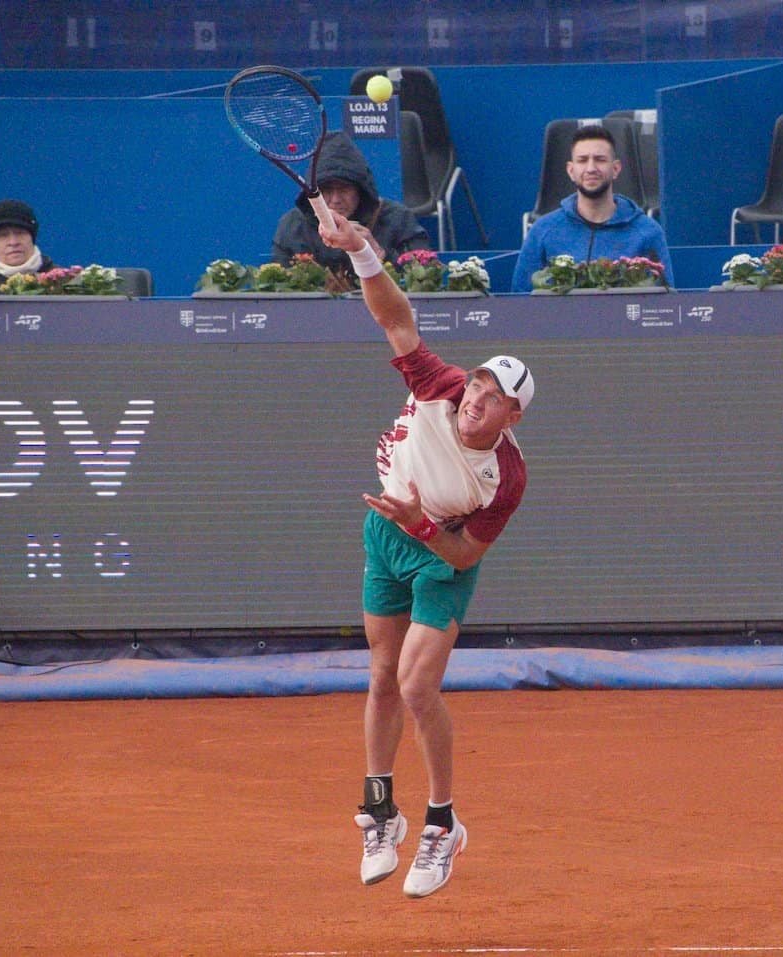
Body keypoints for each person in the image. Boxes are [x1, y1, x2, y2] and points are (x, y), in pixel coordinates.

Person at [317, 208, 533, 898]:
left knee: (417, 688)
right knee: (382, 677)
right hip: (387, 534)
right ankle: (381, 810)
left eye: (494, 399)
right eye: (479, 386)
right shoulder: (440, 386)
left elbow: (466, 556)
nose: (477, 399)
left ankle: (442, 822)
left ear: (512, 418)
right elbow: (395, 318)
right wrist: (362, 251)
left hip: (441, 555)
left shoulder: (506, 477)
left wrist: (421, 524)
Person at [510, 123, 675, 292]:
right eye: (582, 160)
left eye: (600, 160)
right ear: (571, 170)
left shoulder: (648, 231)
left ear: (616, 169)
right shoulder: (542, 231)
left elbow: (665, 300)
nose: (591, 168)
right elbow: (520, 299)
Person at [271, 131, 429, 285]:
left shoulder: (398, 220)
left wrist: (379, 255)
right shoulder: (293, 226)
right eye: (326, 190)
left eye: (344, 189)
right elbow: (279, 288)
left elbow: (425, 280)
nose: (335, 200)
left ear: (361, 190)